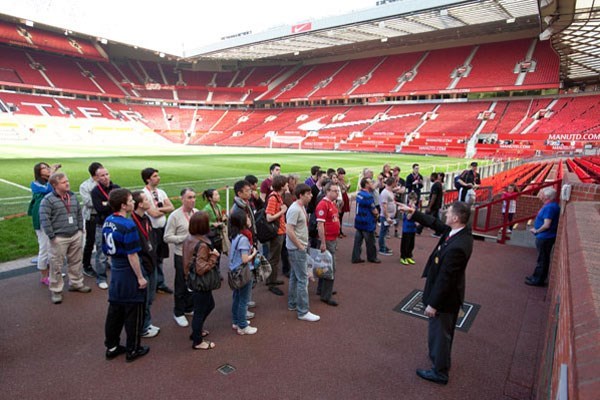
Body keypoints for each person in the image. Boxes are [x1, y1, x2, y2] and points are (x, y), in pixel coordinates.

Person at [397, 201, 474, 385]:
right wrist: (414, 213)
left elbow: (446, 280)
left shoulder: (457, 246)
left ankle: (440, 372)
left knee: (440, 334)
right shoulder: (458, 232)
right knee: (442, 333)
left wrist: (433, 304)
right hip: (448, 295)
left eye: (448, 213)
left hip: (445, 300)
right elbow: (435, 223)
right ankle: (440, 361)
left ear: (455, 218)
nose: (445, 215)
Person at [102, 188, 149, 362]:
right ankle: (133, 349)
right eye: (130, 201)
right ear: (123, 205)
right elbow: (132, 254)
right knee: (133, 311)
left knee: (115, 311)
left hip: (115, 270)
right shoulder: (128, 225)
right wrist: (140, 277)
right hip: (128, 272)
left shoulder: (108, 221)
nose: (132, 203)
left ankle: (112, 346)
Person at [39, 172, 91, 304]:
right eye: (63, 182)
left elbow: (79, 213)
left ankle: (76, 283)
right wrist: (52, 236)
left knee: (76, 261)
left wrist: (80, 230)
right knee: (56, 265)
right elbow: (44, 219)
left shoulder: (72, 196)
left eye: (67, 181)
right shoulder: (48, 200)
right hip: (59, 238)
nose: (67, 183)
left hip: (75, 235)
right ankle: (56, 290)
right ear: (55, 185)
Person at [183, 211, 219, 350]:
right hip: (200, 282)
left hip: (192, 279)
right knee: (201, 310)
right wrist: (214, 257)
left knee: (208, 305)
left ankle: (196, 332)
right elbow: (201, 268)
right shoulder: (202, 244)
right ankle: (197, 341)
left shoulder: (189, 238)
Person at [164, 188, 198, 327]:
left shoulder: (196, 213)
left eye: (194, 197)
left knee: (193, 282)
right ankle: (178, 312)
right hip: (181, 255)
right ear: (182, 199)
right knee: (181, 284)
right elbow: (167, 237)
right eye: (189, 197)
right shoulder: (174, 216)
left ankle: (189, 307)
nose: (192, 200)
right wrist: (184, 239)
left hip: (195, 254)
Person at [285, 183, 320, 321]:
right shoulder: (295, 209)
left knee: (295, 276)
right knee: (302, 279)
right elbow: (289, 230)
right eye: (308, 194)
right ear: (301, 195)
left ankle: (293, 303)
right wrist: (300, 246)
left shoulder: (300, 207)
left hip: (297, 247)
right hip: (297, 248)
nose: (311, 196)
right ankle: (303, 311)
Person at [131, 191, 160, 339]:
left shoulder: (146, 218)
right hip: (143, 263)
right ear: (140, 204)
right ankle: (143, 327)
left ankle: (146, 323)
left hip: (151, 261)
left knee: (150, 297)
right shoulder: (132, 222)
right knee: (144, 297)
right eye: (147, 200)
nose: (150, 201)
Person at [141, 167, 174, 295]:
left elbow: (171, 207)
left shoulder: (161, 192)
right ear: (148, 179)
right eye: (155, 176)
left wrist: (159, 210)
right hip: (151, 231)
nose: (158, 178)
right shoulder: (144, 194)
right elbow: (153, 214)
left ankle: (159, 283)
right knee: (152, 258)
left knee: (160, 257)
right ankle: (153, 284)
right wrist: (163, 210)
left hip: (162, 229)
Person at [28, 162, 60, 285]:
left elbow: (57, 189)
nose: (47, 169)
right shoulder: (35, 184)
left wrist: (54, 174)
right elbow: (48, 190)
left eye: (47, 167)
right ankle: (44, 276)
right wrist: (52, 174)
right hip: (41, 218)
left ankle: (52, 273)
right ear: (38, 171)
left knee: (53, 247)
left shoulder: (49, 180)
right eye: (44, 168)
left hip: (52, 216)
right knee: (44, 247)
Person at [229, 209, 258, 335]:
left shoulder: (235, 236)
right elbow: (245, 259)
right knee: (243, 299)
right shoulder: (244, 239)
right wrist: (254, 253)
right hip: (243, 272)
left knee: (237, 297)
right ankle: (242, 325)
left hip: (234, 271)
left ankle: (236, 321)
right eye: (247, 217)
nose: (249, 219)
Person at [91, 167, 120, 289]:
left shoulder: (117, 188)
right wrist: (113, 204)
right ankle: (101, 278)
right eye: (102, 175)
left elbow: (121, 205)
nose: (105, 177)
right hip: (102, 225)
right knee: (101, 253)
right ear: (97, 178)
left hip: (118, 224)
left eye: (107, 174)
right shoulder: (95, 191)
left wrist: (107, 203)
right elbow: (100, 209)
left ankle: (118, 276)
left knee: (118, 251)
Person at [525, 187, 560, 287]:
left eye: (542, 193)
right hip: (544, 237)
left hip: (545, 237)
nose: (540, 194)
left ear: (546, 196)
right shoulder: (550, 205)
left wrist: (536, 231)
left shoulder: (550, 207)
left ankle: (538, 280)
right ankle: (535, 276)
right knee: (542, 258)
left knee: (543, 259)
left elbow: (546, 224)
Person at [315, 181, 341, 306]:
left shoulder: (331, 203)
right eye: (335, 191)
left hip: (332, 239)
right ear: (327, 191)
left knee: (325, 266)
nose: (337, 193)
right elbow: (320, 225)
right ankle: (326, 295)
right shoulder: (323, 205)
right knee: (330, 267)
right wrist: (323, 242)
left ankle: (322, 290)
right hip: (328, 240)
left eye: (337, 191)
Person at [265, 175, 288, 296]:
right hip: (276, 232)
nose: (287, 185)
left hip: (280, 231)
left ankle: (272, 280)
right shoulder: (273, 197)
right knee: (273, 258)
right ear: (282, 185)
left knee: (275, 257)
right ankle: (271, 283)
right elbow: (269, 217)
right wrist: (282, 211)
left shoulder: (278, 196)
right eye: (286, 183)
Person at [79, 162, 103, 278]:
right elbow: (88, 202)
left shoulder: (105, 183)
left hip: (104, 216)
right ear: (95, 174)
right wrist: (104, 203)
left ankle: (101, 260)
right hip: (92, 217)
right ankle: (86, 265)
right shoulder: (85, 185)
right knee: (90, 241)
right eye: (101, 173)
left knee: (103, 240)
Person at [351, 177, 380, 264]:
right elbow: (373, 209)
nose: (372, 183)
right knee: (370, 242)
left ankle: (356, 257)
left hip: (359, 220)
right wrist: (377, 214)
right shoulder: (368, 196)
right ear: (366, 184)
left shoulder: (359, 194)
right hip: (367, 222)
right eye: (370, 182)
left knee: (357, 241)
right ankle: (372, 257)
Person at [202, 188, 228, 256]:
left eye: (218, 194)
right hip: (211, 235)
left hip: (218, 234)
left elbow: (219, 219)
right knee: (213, 254)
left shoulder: (218, 206)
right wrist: (213, 224)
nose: (218, 196)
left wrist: (223, 218)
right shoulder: (207, 209)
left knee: (218, 254)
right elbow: (202, 222)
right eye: (216, 195)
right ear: (210, 198)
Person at [378, 176, 397, 256]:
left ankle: (384, 246)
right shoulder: (385, 193)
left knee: (385, 232)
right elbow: (384, 206)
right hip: (386, 216)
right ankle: (382, 248)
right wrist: (387, 217)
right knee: (383, 232)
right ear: (392, 183)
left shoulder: (390, 191)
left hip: (389, 215)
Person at [400, 193, 418, 265]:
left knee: (411, 243)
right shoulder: (406, 208)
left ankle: (409, 256)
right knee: (405, 243)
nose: (413, 202)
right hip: (406, 228)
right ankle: (403, 257)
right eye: (412, 200)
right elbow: (408, 217)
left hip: (413, 229)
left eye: (414, 200)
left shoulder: (415, 208)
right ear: (409, 200)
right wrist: (412, 210)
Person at [336, 167, 350, 238]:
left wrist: (347, 187)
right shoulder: (337, 182)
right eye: (341, 174)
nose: (343, 176)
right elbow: (340, 191)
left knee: (341, 216)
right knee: (339, 216)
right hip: (341, 198)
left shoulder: (343, 181)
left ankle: (340, 231)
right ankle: (338, 231)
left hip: (344, 197)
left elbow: (345, 190)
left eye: (343, 174)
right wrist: (345, 187)